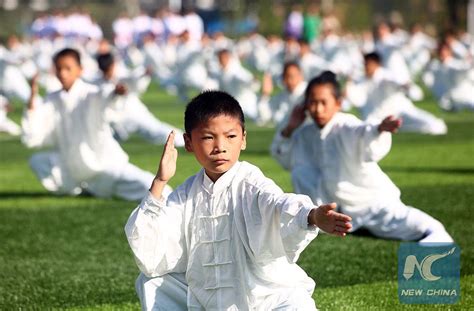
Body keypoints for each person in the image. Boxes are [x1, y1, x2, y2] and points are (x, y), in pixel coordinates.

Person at [125, 90, 352, 310]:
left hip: (266, 299)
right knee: (151, 282)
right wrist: (160, 181)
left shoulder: (251, 182)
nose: (220, 147)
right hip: (208, 300)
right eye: (207, 137)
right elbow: (151, 247)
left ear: (243, 139)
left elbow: (278, 203)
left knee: (296, 306)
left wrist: (311, 216)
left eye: (230, 136)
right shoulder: (186, 193)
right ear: (189, 142)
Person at [271, 71, 453, 243]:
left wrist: (378, 129)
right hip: (338, 210)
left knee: (428, 227)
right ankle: (318, 218)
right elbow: (285, 159)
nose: (318, 109)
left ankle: (435, 248)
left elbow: (363, 131)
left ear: (338, 103)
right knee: (300, 171)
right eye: (312, 103)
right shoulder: (305, 133)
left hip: (372, 204)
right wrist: (290, 128)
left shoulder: (346, 124)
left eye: (323, 102)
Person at [22, 48, 171, 200]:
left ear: (80, 70)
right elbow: (33, 134)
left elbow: (105, 96)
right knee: (38, 161)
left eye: (68, 68)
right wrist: (32, 95)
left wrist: (116, 94)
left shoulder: (90, 93)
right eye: (59, 69)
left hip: (105, 165)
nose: (63, 73)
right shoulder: (52, 99)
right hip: (74, 169)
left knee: (153, 188)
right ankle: (80, 187)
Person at [95, 52, 185, 146]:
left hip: (133, 111)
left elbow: (133, 78)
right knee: (105, 138)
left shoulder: (121, 74)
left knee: (155, 130)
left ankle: (182, 140)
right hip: (114, 118)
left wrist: (144, 74)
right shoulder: (97, 81)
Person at [345, 52, 447, 135]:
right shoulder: (363, 80)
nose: (366, 67)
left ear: (377, 64)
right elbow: (355, 98)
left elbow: (398, 82)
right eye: (365, 64)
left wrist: (405, 86)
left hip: (400, 112)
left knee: (435, 125)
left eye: (368, 64)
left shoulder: (385, 76)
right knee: (367, 129)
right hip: (378, 117)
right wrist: (348, 83)